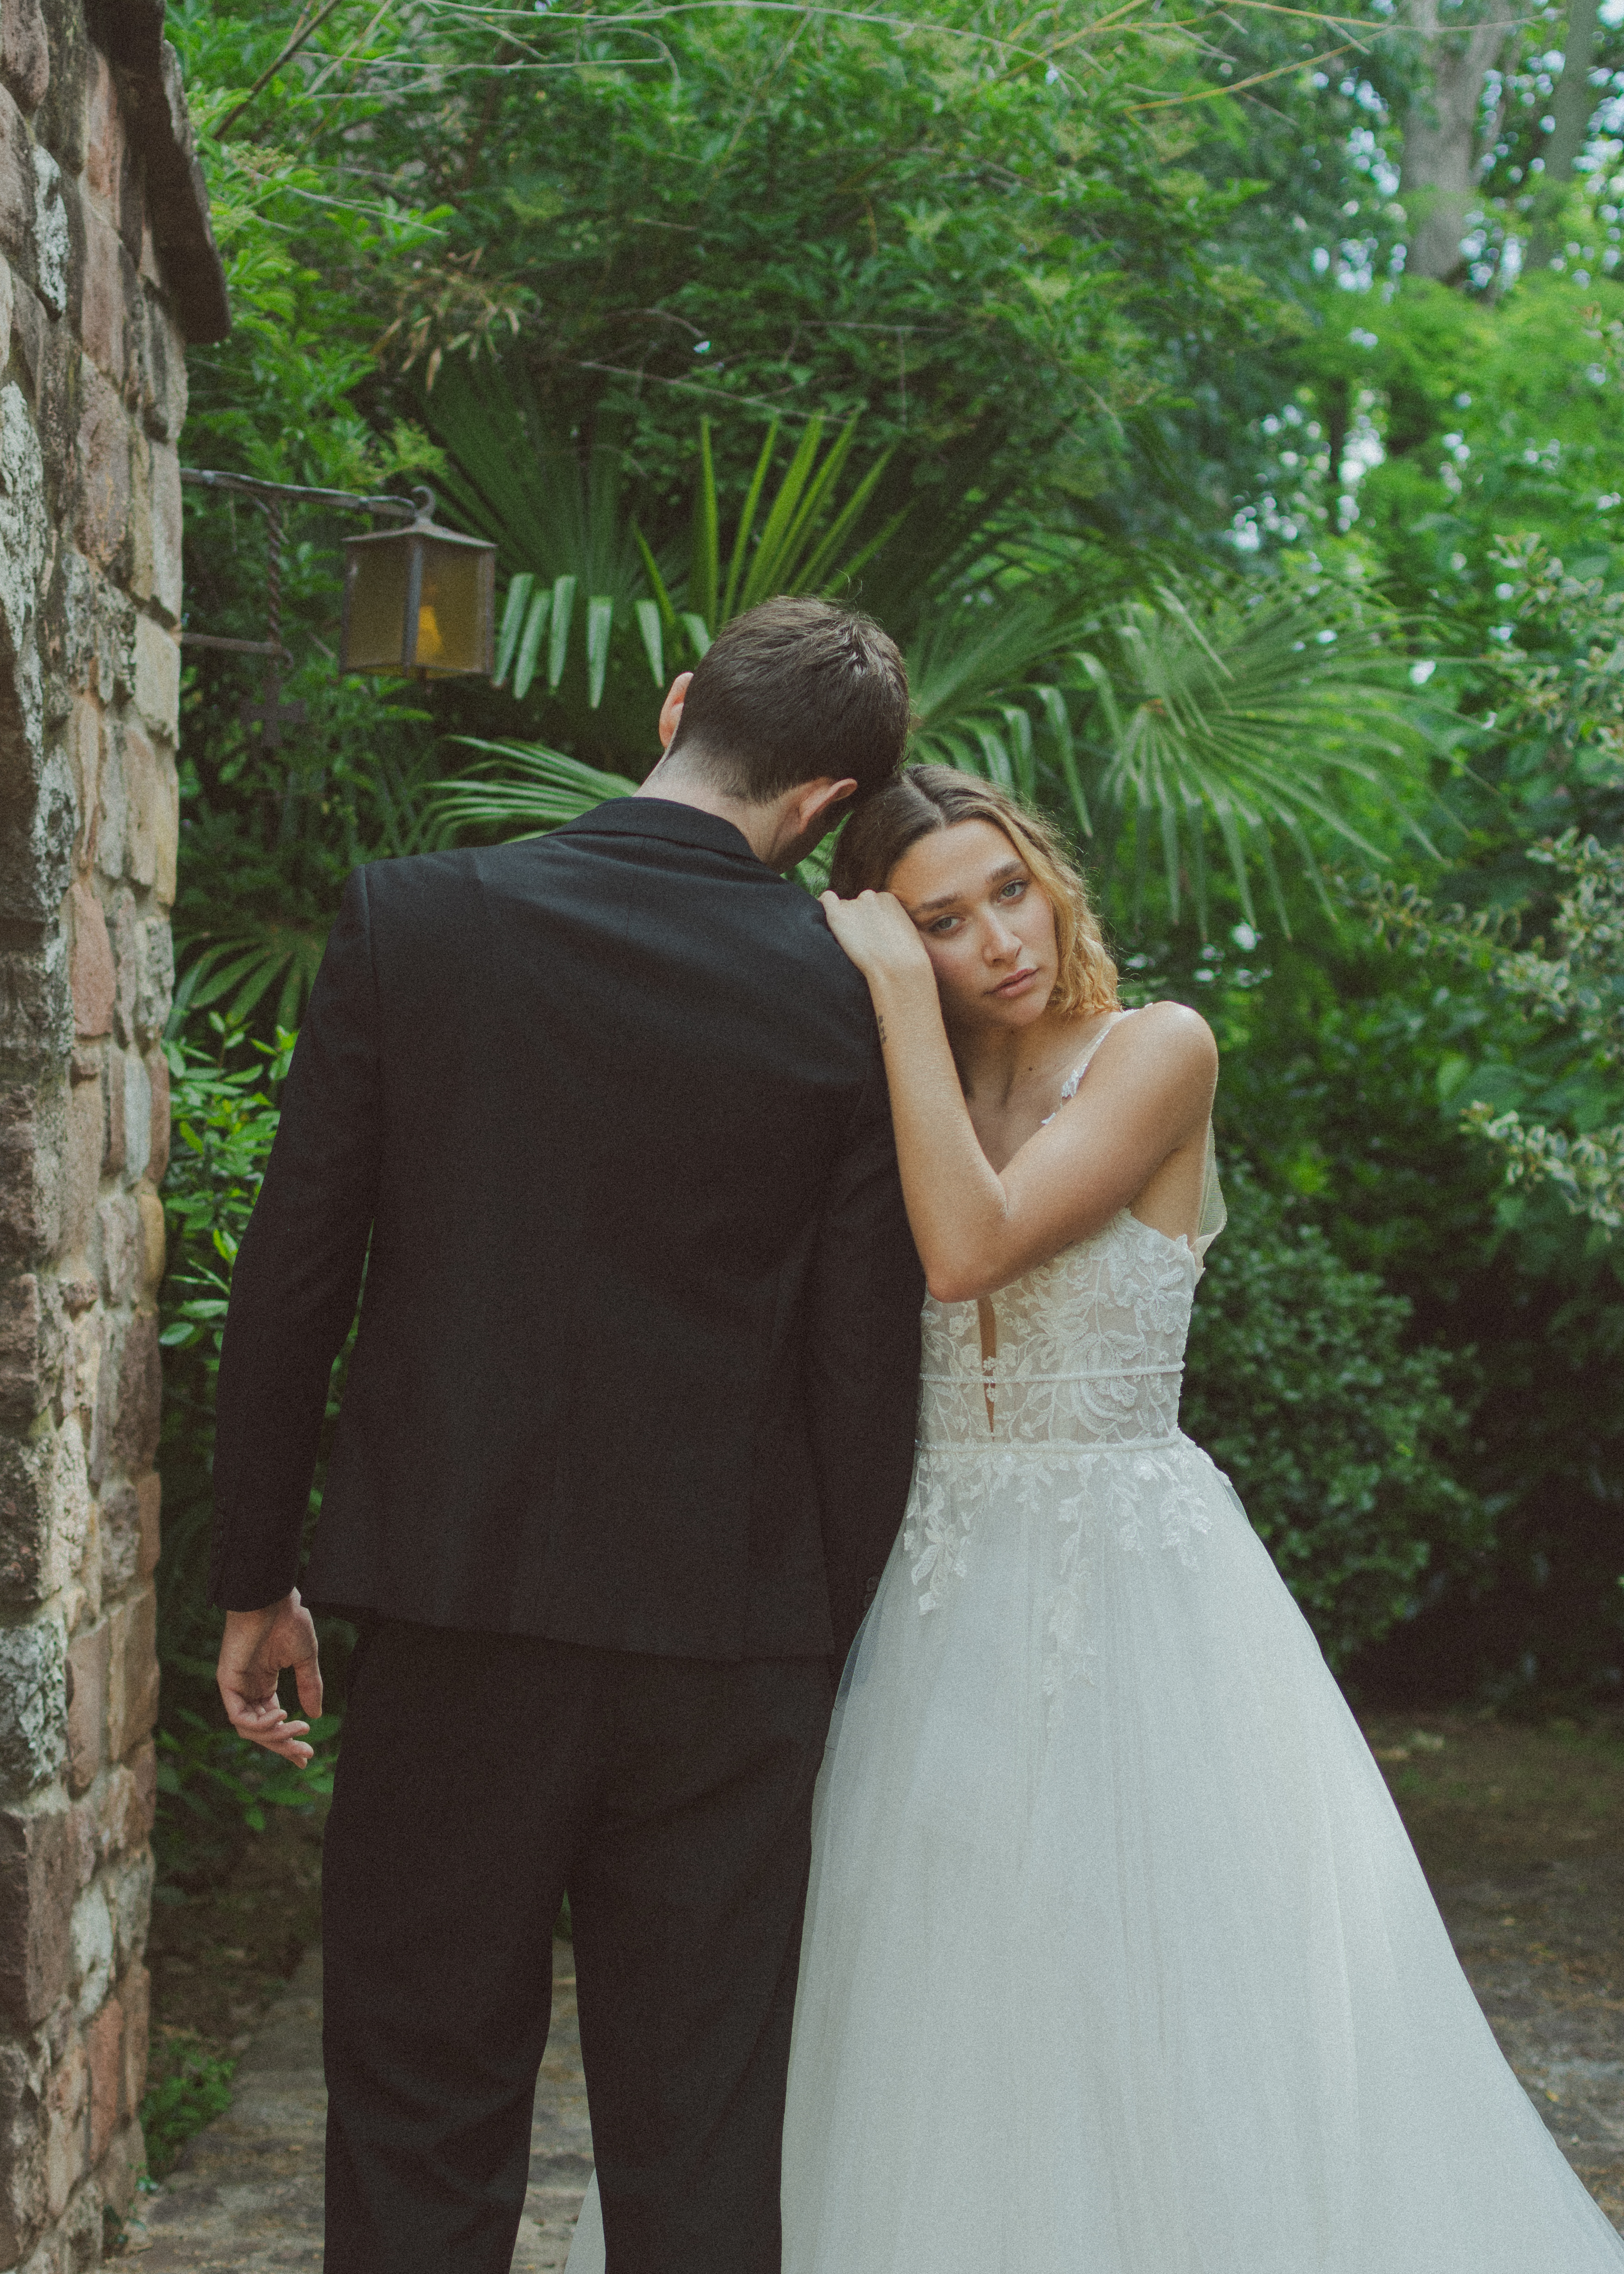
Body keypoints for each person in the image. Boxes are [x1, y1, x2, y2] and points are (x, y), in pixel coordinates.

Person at [570, 762, 1624, 2272]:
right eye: (941, 919)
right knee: (919, 1983)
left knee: (1146, 1975)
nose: (1002, 935)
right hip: (920, 1584)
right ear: (890, 936)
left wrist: (882, 993)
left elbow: (969, 1248)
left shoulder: (1155, 1051)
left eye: (1011, 886)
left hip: (1132, 1593)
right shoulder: (898, 1069)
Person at [207, 597, 926, 2274]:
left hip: (457, 1616)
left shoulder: (419, 920)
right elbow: (856, 1366)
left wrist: (259, 1575)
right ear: (825, 800)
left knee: (417, 2107)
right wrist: (820, 1642)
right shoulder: (849, 998)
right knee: (698, 2140)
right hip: (730, 1645)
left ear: (677, 705)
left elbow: (293, 1273)